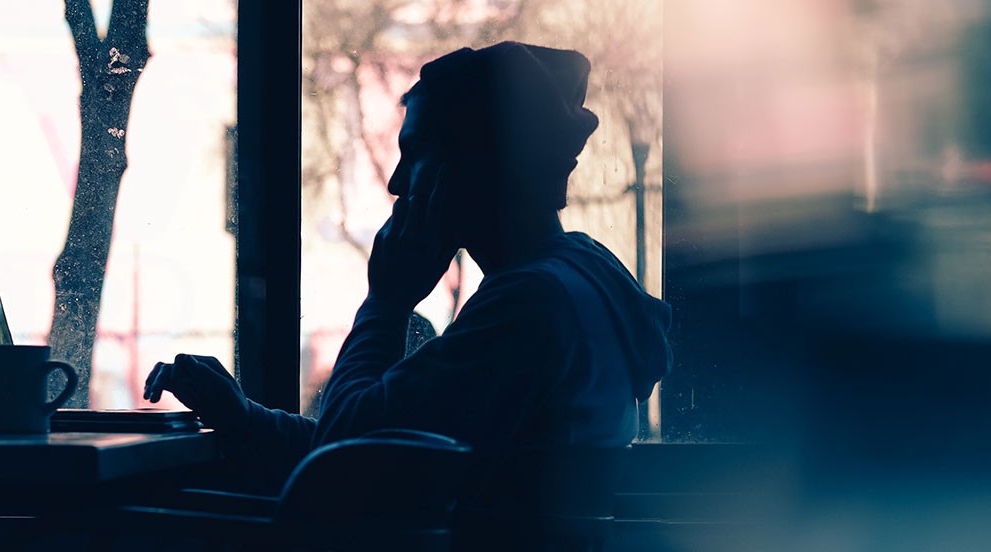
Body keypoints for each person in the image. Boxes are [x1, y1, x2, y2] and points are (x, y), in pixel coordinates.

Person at [144, 42, 672, 497]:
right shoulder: (575, 280)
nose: (397, 183)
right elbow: (381, 437)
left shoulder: (528, 307)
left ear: (478, 164)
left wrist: (386, 304)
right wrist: (243, 417)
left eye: (415, 153)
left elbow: (346, 461)